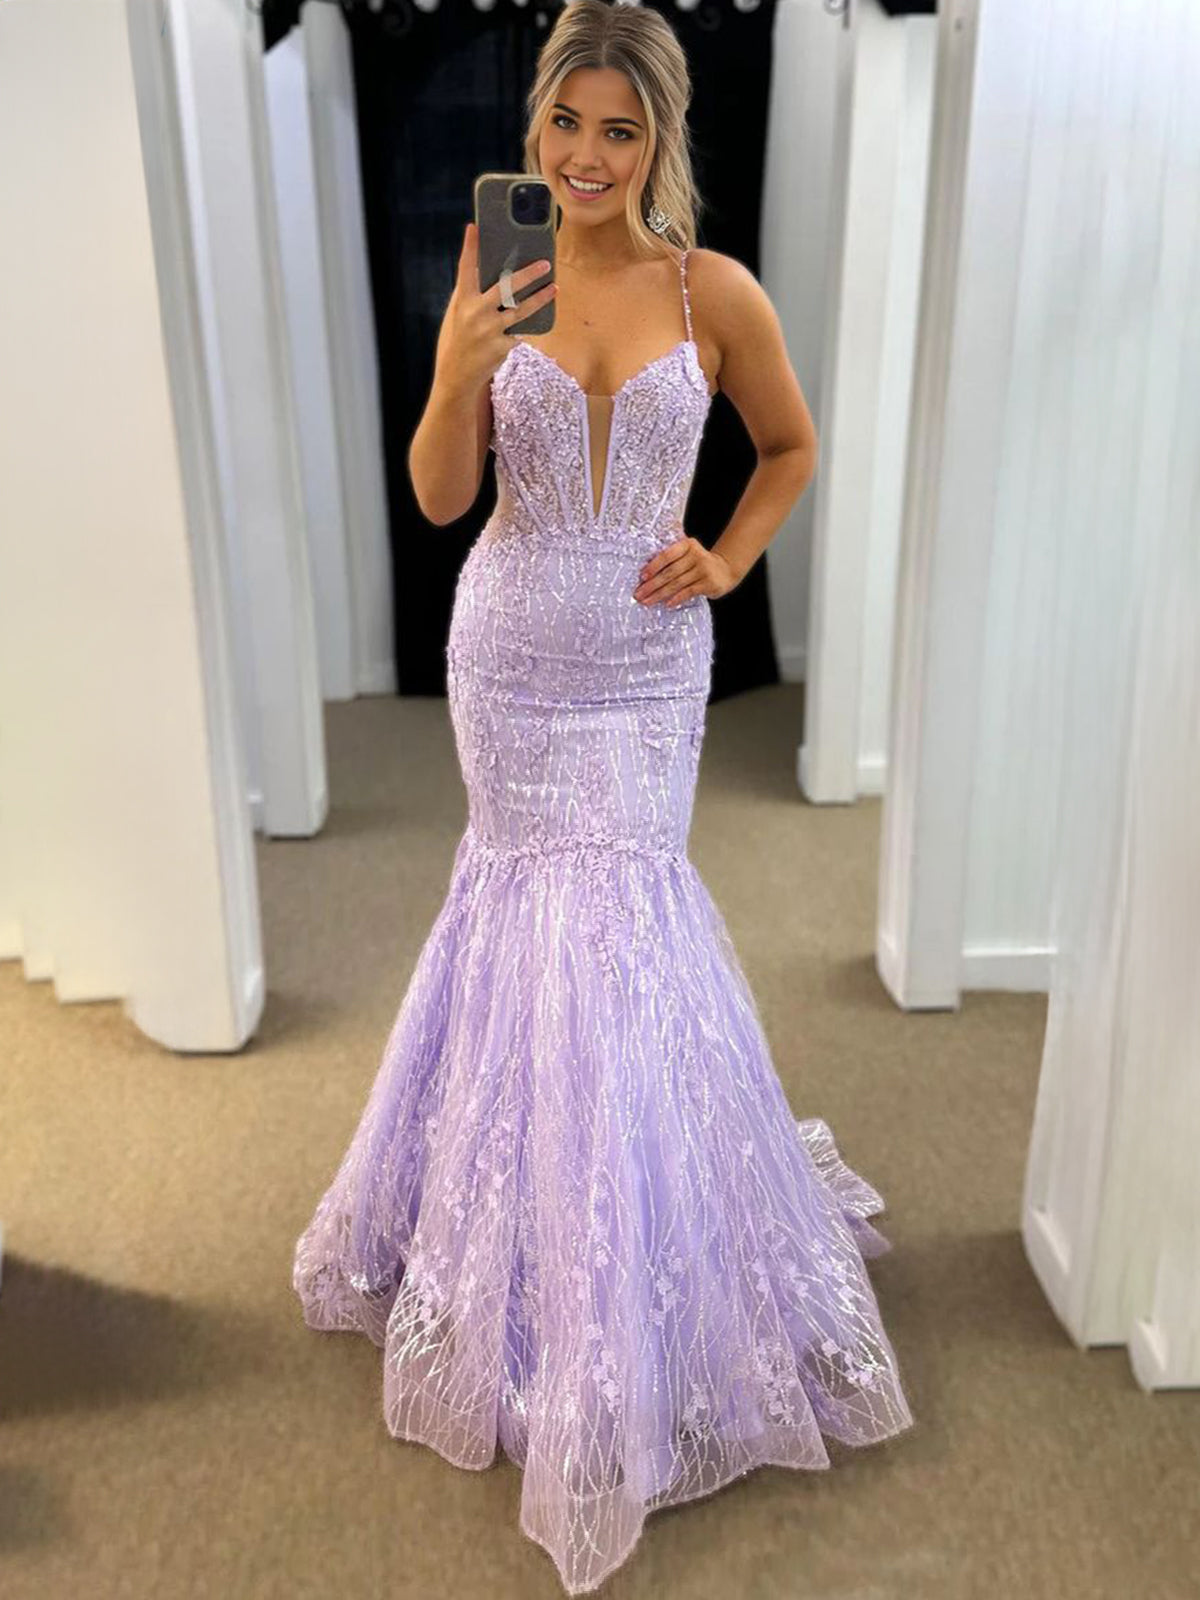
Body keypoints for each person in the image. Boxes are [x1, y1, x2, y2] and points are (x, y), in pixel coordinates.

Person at [293, 2, 914, 1591]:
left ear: (660, 140)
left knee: (624, 927)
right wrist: (455, 367)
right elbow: (442, 496)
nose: (583, 157)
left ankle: (629, 1280)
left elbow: (788, 448)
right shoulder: (495, 267)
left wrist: (732, 554)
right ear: (536, 127)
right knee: (524, 920)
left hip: (644, 671)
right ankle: (523, 1274)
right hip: (511, 654)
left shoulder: (713, 293)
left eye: (618, 130)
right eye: (563, 123)